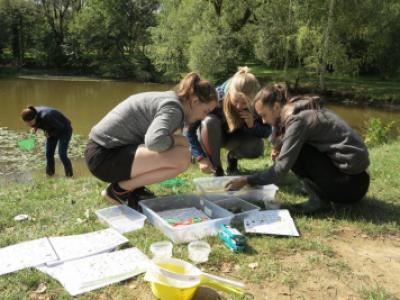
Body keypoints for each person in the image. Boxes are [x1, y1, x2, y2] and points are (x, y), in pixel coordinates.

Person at [226, 84, 370, 214]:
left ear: (276, 107)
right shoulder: (301, 110)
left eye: (264, 115)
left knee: (297, 151)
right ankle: (319, 193)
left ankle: (317, 200)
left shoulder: (298, 121)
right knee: (293, 147)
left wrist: (247, 180)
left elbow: (279, 171)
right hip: (358, 181)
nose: (263, 121)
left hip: (350, 187)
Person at [85, 72, 217, 209]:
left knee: (176, 151)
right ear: (195, 101)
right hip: (103, 157)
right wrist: (178, 140)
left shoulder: (172, 101)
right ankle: (118, 191)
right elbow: (154, 142)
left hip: (104, 152)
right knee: (182, 157)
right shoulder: (174, 109)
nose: (204, 118)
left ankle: (134, 188)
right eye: (205, 111)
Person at [186, 67, 272, 176]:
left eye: (245, 103)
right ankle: (217, 169)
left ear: (253, 97)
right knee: (209, 121)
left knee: (256, 148)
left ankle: (232, 157)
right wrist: (200, 157)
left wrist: (252, 125)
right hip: (215, 136)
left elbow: (268, 131)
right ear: (230, 91)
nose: (239, 106)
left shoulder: (259, 102)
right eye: (236, 101)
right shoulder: (215, 97)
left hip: (239, 139)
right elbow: (189, 130)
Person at [21, 106, 73, 177]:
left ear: (35, 117)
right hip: (51, 129)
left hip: (64, 130)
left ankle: (69, 176)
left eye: (30, 123)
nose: (28, 125)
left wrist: (50, 134)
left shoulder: (46, 116)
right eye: (26, 123)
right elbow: (39, 122)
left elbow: (61, 127)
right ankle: (50, 175)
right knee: (48, 154)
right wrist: (35, 127)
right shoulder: (32, 113)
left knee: (62, 154)